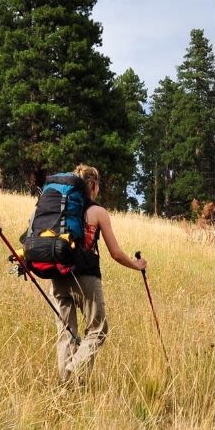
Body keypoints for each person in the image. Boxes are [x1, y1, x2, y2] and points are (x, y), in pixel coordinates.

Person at [50, 164, 147, 385]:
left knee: (66, 333)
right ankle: (73, 369)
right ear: (93, 185)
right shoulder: (98, 212)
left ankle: (66, 387)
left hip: (57, 275)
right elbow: (116, 253)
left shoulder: (58, 207)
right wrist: (137, 265)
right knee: (98, 330)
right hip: (86, 276)